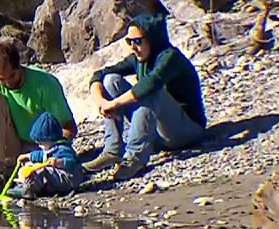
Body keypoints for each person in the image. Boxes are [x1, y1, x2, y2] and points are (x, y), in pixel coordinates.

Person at [83, 13, 206, 181]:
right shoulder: (139, 59)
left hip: (186, 131)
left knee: (149, 91)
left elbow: (149, 84)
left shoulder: (170, 57)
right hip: (157, 132)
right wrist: (101, 102)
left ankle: (134, 159)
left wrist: (114, 104)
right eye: (129, 41)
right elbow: (100, 74)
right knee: (111, 80)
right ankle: (112, 151)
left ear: (152, 39)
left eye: (138, 41)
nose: (133, 47)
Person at [0, 39, 77, 194]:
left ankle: (14, 174)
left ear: (19, 65)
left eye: (12, 76)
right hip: (8, 147)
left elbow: (68, 127)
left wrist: (50, 152)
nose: (9, 82)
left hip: (39, 147)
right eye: (2, 79)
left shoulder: (45, 84)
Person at [12, 112, 84, 198]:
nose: (39, 145)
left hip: (69, 178)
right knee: (29, 166)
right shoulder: (49, 148)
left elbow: (71, 163)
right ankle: (26, 184)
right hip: (58, 178)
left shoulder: (63, 149)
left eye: (41, 143)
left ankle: (29, 189)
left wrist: (58, 162)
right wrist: (28, 156)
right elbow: (41, 155)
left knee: (41, 171)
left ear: (50, 140)